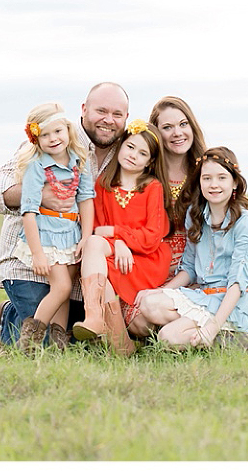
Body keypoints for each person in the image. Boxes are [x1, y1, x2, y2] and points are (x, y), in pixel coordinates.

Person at [0, 82, 129, 346]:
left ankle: (26, 315)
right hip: (31, 263)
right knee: (45, 341)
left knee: (81, 336)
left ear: (126, 117)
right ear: (84, 109)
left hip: (77, 260)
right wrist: (39, 194)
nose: (109, 120)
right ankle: (11, 316)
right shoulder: (52, 138)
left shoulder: (127, 153)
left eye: (117, 114)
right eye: (101, 111)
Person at [135, 147, 248, 348]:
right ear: (199, 182)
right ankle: (219, 336)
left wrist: (212, 327)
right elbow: (189, 268)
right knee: (149, 304)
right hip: (204, 297)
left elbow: (237, 282)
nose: (214, 184)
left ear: (234, 182)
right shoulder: (196, 216)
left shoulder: (245, 222)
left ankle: (230, 334)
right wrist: (159, 291)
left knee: (168, 337)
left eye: (222, 178)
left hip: (232, 303)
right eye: (207, 178)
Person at [71, 120, 172, 355]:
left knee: (96, 256)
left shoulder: (152, 187)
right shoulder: (104, 185)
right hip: (115, 253)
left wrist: (117, 236)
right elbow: (98, 229)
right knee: (96, 258)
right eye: (130, 147)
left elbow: (152, 237)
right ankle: (115, 338)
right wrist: (118, 243)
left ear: (150, 162)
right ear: (121, 146)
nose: (133, 155)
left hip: (145, 260)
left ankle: (98, 320)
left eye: (142, 153)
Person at [11, 103, 95, 353]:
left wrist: (86, 236)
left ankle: (59, 344)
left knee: (64, 292)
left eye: (57, 131)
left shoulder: (79, 162)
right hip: (47, 235)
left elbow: (86, 199)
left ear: (68, 130)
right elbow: (28, 211)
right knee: (62, 287)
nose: (53, 139)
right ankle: (30, 340)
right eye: (45, 135)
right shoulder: (37, 167)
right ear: (36, 139)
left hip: (71, 234)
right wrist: (37, 253)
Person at [148, 96, 207, 279]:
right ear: (156, 134)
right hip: (153, 274)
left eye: (183, 124)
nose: (177, 133)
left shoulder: (208, 174)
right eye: (167, 127)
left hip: (199, 274)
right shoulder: (145, 177)